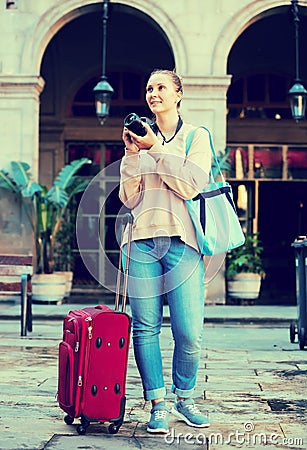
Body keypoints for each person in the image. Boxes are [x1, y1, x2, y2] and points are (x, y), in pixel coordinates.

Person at [119, 69, 212, 434]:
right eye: (148, 89)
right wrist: (131, 154)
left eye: (160, 88)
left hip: (183, 243)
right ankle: (158, 403)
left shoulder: (195, 136)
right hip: (140, 241)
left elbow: (190, 185)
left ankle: (185, 398)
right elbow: (130, 197)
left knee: (189, 331)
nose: (152, 93)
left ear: (178, 95)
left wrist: (154, 149)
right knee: (145, 328)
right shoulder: (141, 139)